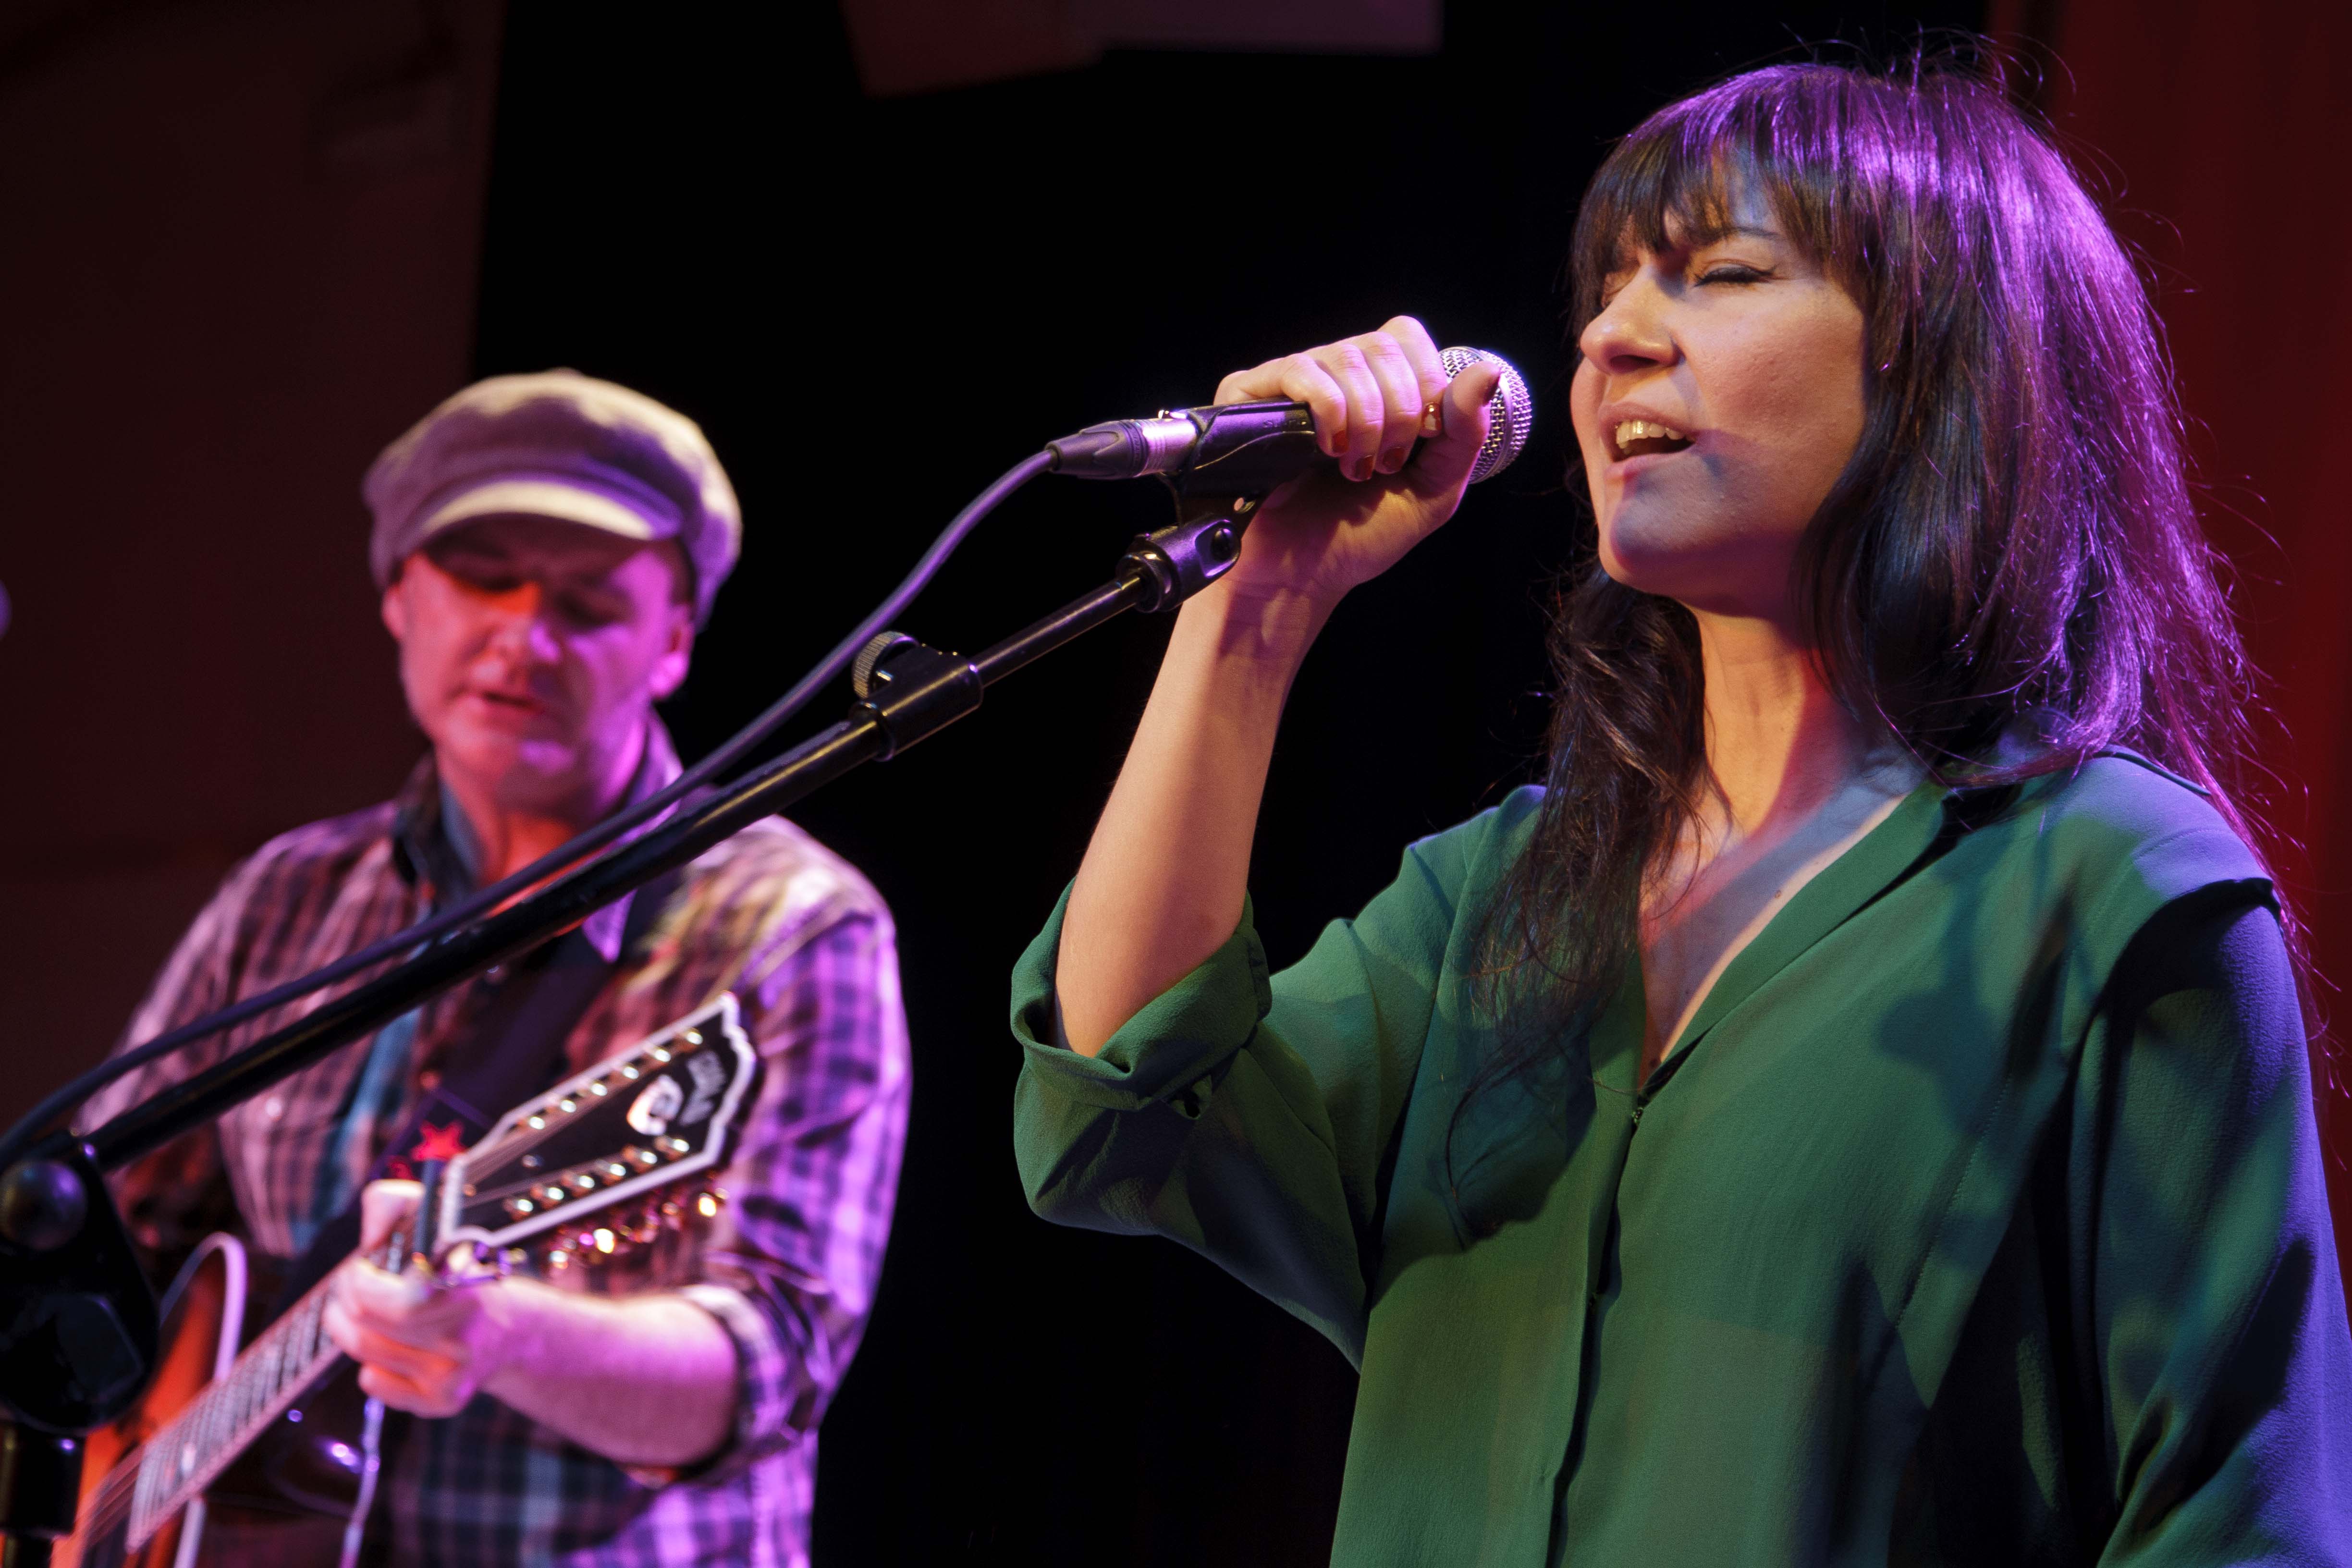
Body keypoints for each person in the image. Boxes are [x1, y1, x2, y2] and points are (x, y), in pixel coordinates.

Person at [1008, 58, 2352, 1563]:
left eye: (1720, 272)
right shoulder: (1500, 898)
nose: (1609, 335)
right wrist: (1256, 603)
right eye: (1607, 288)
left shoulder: (2115, 894)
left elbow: (2236, 1521)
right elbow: (1118, 1112)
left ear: (1943, 363)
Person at [82, 371, 909, 1567]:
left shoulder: (791, 924)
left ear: (674, 643)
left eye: (587, 600)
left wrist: (505, 1335)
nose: (525, 633)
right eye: (483, 575)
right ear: (397, 598)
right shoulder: (287, 895)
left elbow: (768, 1363)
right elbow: (103, 1235)